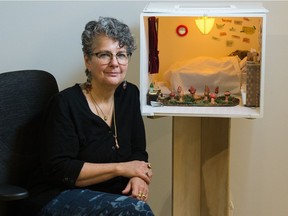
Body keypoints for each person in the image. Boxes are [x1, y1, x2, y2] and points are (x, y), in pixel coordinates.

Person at [21, 17, 154, 216]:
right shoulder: (65, 104)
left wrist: (138, 177)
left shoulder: (130, 95)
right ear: (87, 60)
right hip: (58, 195)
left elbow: (138, 152)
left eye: (122, 55)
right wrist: (122, 169)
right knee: (134, 211)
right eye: (104, 55)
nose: (114, 63)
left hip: (108, 195)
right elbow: (61, 171)